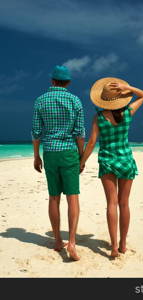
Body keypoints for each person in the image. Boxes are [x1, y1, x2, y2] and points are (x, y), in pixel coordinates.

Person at [80, 77, 143, 258]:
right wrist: (127, 87)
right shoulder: (127, 112)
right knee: (124, 204)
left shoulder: (99, 117)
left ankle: (115, 247)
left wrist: (82, 161)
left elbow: (92, 142)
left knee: (111, 203)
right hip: (126, 160)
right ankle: (124, 245)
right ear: (120, 98)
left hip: (108, 161)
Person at [31, 65, 85, 261]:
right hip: (69, 151)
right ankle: (71, 241)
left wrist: (36, 155)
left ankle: (56, 240)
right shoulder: (75, 100)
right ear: (68, 82)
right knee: (73, 197)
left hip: (50, 152)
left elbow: (37, 132)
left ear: (52, 81)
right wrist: (82, 155)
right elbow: (79, 133)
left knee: (54, 196)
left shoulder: (40, 100)